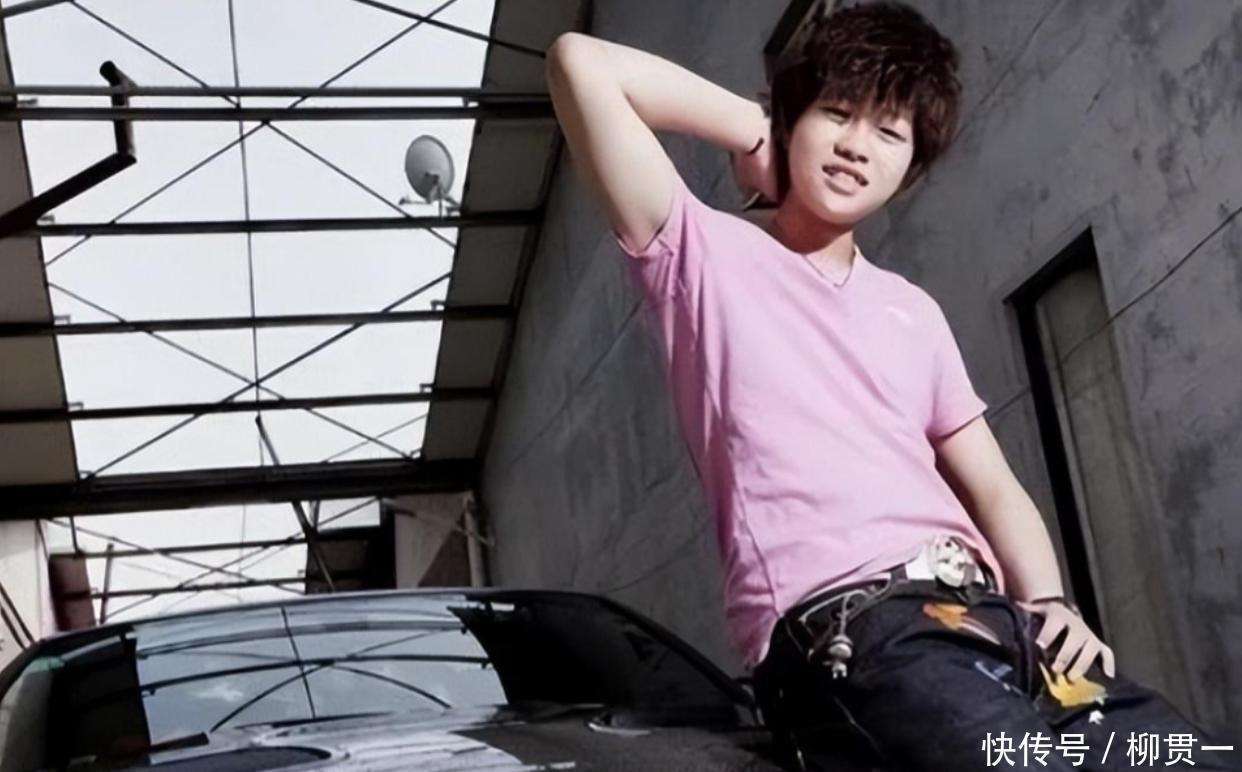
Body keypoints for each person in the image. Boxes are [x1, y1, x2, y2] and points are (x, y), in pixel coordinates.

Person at [543, 2, 1239, 769]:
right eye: (836, 113)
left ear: (911, 167)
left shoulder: (912, 311)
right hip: (853, 632)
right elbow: (581, 63)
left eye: (889, 132)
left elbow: (994, 486)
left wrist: (1049, 602)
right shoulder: (698, 253)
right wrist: (757, 129)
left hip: (993, 622)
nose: (855, 146)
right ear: (795, 118)